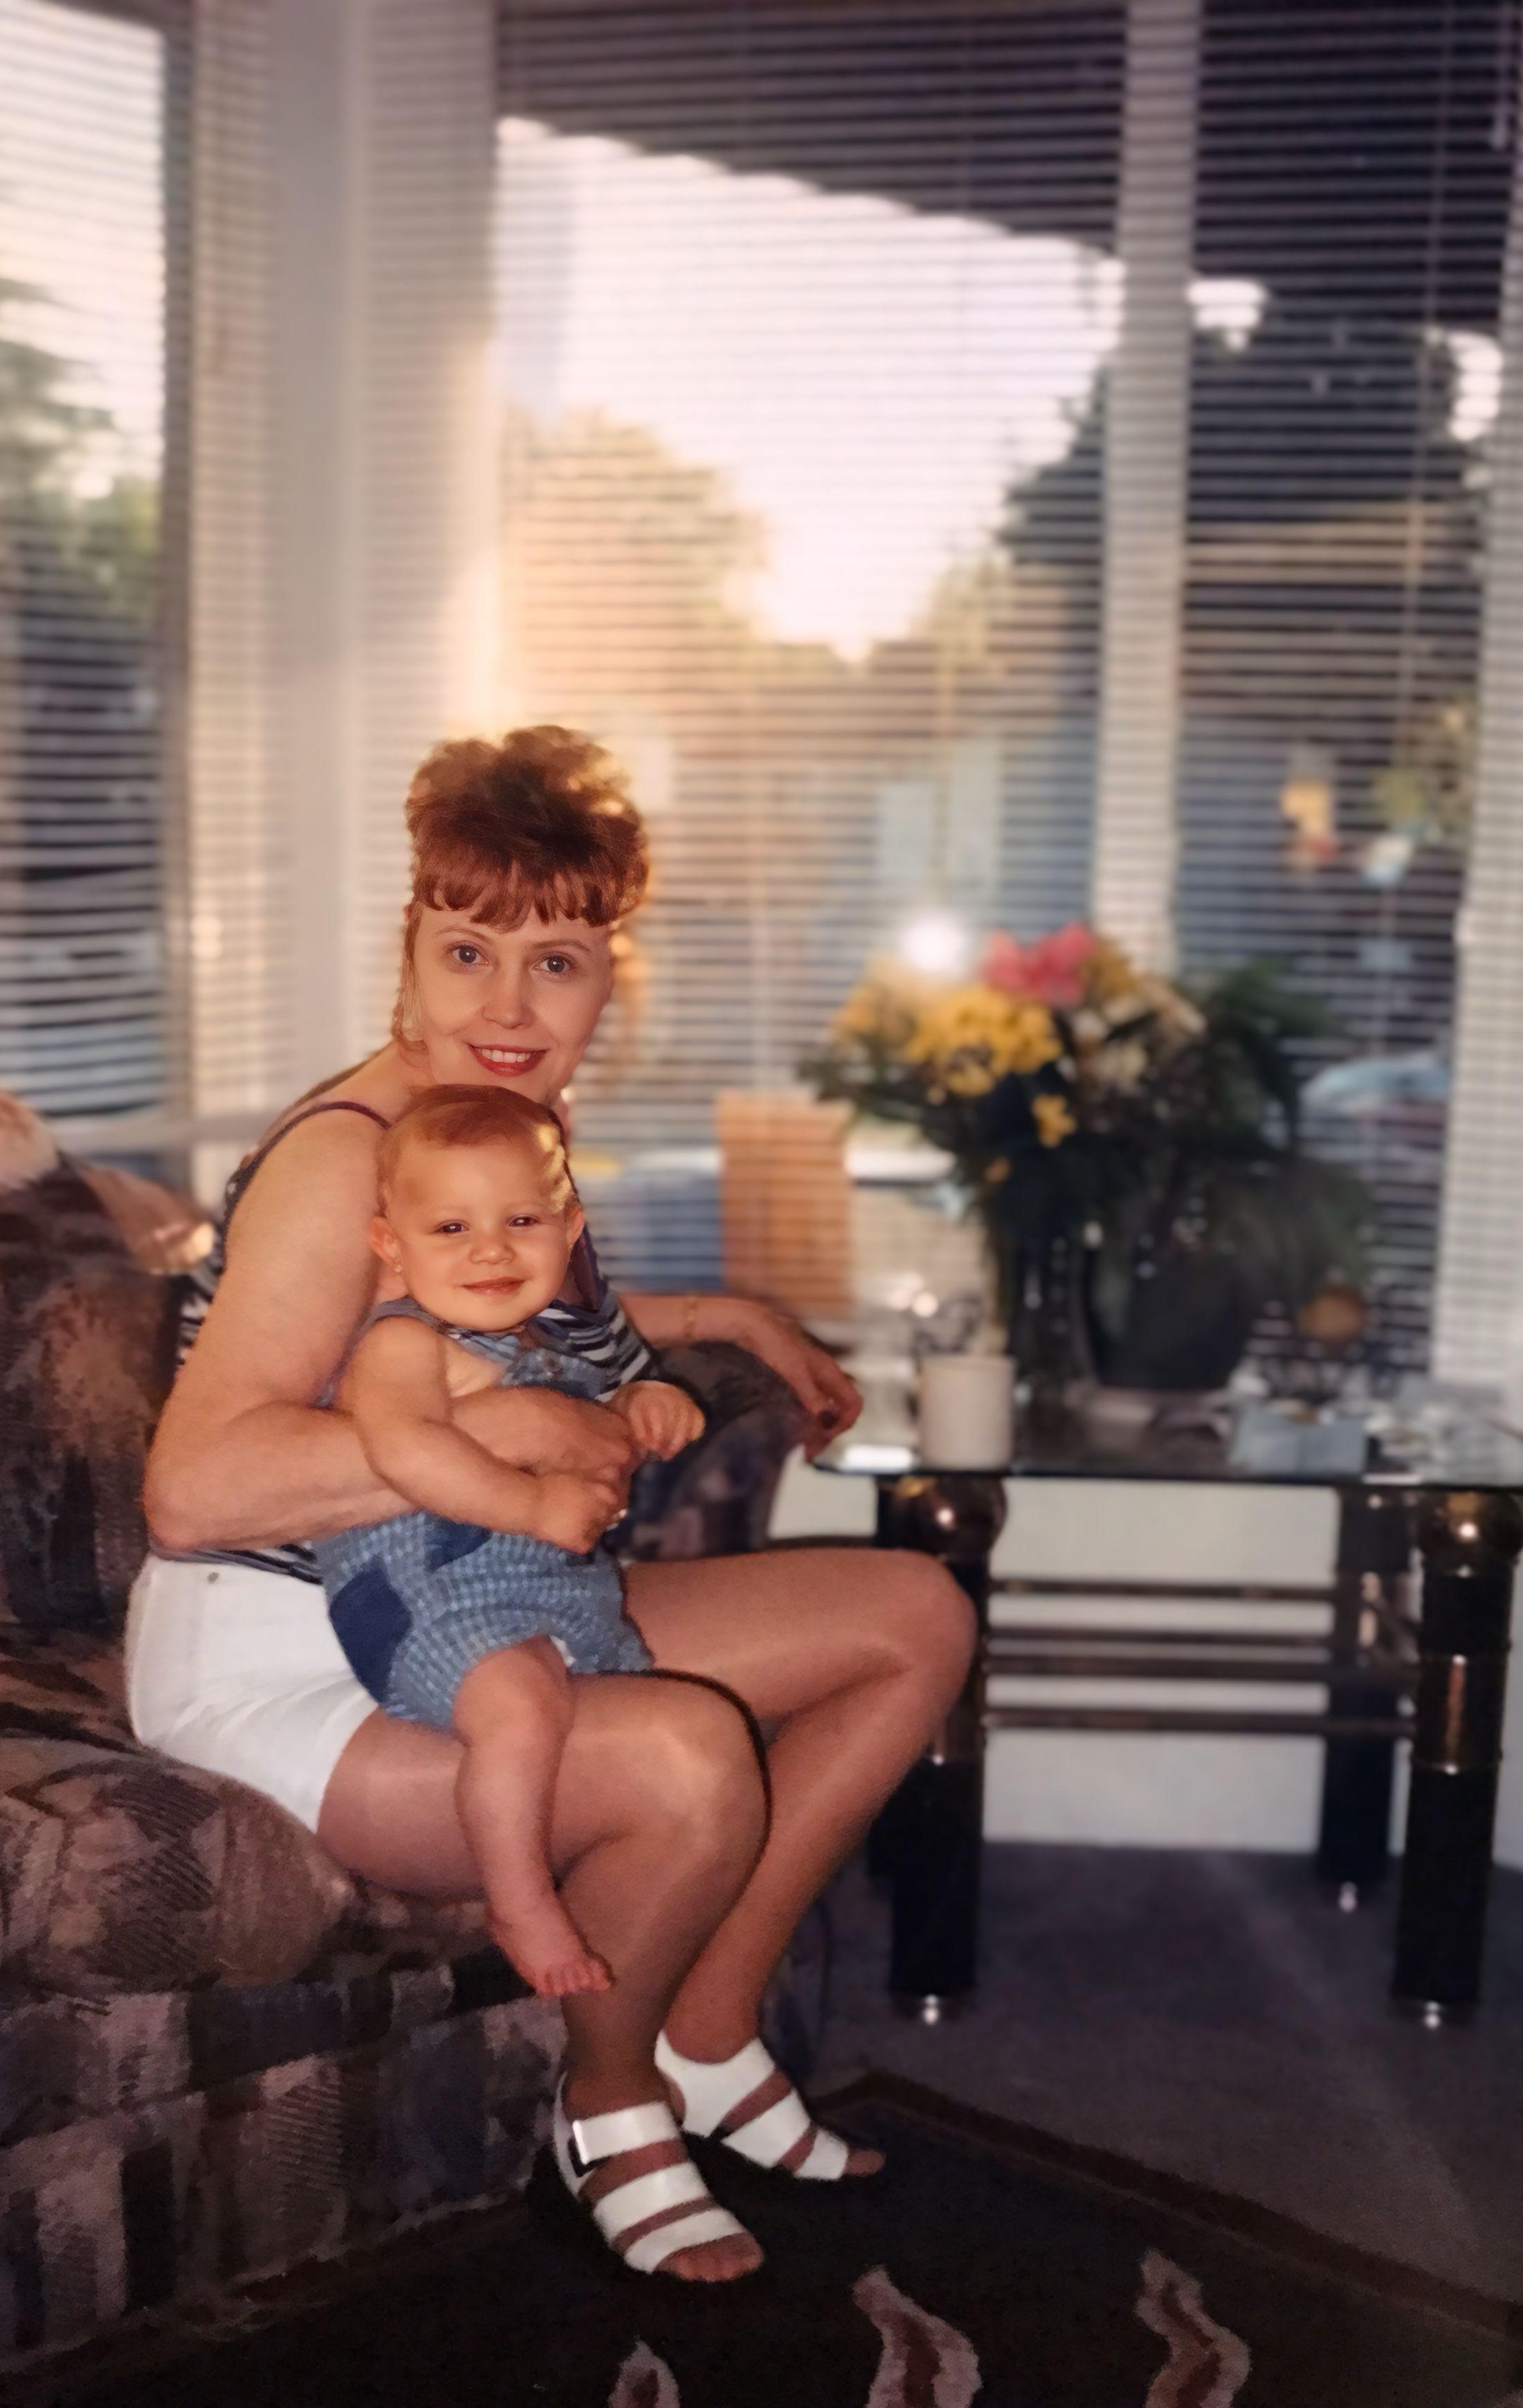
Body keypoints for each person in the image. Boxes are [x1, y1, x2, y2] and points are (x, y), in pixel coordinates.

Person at [132, 724, 976, 2284]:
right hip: (293, 1649)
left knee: (912, 1614)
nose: (511, 1009)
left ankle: (711, 2029)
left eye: (560, 962)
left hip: (481, 1595)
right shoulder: (350, 1159)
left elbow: (509, 1304)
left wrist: (720, 1316)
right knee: (684, 1754)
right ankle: (609, 2098)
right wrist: (514, 1421)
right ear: (411, 947)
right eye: (470, 951)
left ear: (611, 978)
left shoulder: (495, 1130)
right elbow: (191, 1493)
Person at [316, 1082, 701, 2000]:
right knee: (523, 1715)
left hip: (553, 1598)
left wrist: (638, 1405)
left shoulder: (550, 1350)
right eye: (450, 1229)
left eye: (521, 1218)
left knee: (633, 1725)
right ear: (391, 1248)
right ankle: (517, 1899)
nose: (490, 1248)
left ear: (569, 1230)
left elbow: (584, 1428)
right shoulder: (402, 1346)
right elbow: (403, 1449)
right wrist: (529, 1509)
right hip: (423, 1596)